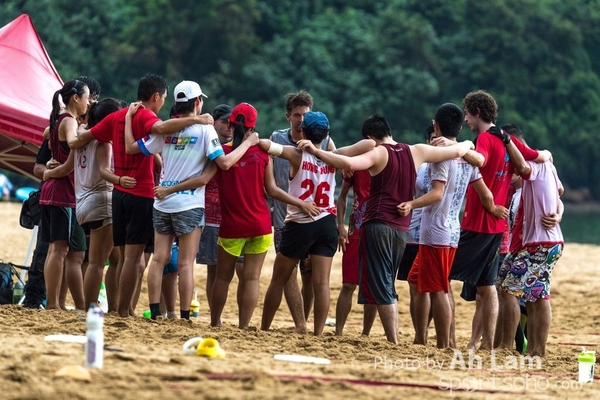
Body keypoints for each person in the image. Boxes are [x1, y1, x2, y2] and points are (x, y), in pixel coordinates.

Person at [296, 114, 474, 344]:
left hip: (378, 224)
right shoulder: (416, 150)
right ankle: (396, 339)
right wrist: (468, 143)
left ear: (370, 138)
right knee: (387, 282)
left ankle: (394, 341)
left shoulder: (379, 152)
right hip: (402, 228)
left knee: (382, 286)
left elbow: (349, 164)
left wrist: (316, 151)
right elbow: (458, 152)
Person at [71, 73, 214, 317]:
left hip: (117, 194)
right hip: (141, 192)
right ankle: (124, 311)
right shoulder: (147, 116)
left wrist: (58, 137)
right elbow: (160, 128)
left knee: (108, 260)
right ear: (156, 96)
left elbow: (81, 139)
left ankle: (95, 308)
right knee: (133, 259)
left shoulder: (116, 116)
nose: (163, 104)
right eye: (163, 98)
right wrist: (200, 120)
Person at [124, 81, 257, 320]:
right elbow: (224, 163)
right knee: (186, 263)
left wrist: (127, 120)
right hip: (189, 204)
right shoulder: (205, 130)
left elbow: (132, 148)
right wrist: (248, 143)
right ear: (197, 102)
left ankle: (156, 312)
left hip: (161, 201)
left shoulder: (165, 130)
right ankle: (185, 316)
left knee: (158, 259)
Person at [440, 90, 550, 350]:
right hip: (498, 229)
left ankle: (449, 342)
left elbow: (479, 161)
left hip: (477, 224)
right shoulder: (508, 140)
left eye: (467, 113)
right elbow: (536, 157)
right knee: (487, 286)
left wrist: (455, 148)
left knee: (440, 276)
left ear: (477, 112)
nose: (466, 119)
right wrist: (548, 154)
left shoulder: (485, 140)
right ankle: (487, 344)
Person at [399, 103, 507, 348]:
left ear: (436, 126)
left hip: (435, 230)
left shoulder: (442, 156)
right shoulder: (467, 159)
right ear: (459, 127)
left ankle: (444, 343)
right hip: (452, 230)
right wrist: (493, 209)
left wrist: (410, 204)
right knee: (420, 280)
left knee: (438, 290)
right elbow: (485, 193)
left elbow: (436, 194)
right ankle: (422, 337)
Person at [211, 103, 319, 329]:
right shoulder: (262, 153)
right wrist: (301, 203)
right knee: (251, 278)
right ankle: (243, 325)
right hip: (260, 224)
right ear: (254, 126)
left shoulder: (222, 153)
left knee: (223, 277)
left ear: (231, 123)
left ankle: (215, 322)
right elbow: (272, 190)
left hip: (231, 225)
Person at [261, 111, 338, 335]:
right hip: (327, 222)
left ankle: (264, 328)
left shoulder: (296, 154)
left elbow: (268, 146)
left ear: (301, 132)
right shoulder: (335, 156)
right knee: (322, 283)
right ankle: (318, 332)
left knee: (279, 278)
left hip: (300, 223)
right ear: (326, 135)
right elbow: (366, 145)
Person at [495, 127, 564, 357]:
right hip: (533, 243)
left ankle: (529, 349)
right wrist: (557, 211)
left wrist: (506, 141)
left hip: (542, 243)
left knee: (517, 292)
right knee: (528, 294)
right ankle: (532, 350)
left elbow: (524, 167)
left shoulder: (536, 165)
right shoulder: (541, 169)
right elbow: (559, 190)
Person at [40, 79, 90, 310]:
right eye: (86, 98)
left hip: (54, 191)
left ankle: (54, 302)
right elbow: (72, 143)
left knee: (56, 248)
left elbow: (48, 137)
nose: (88, 103)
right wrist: (85, 131)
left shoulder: (58, 119)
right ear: (75, 98)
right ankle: (52, 303)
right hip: (62, 191)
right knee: (59, 250)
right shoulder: (69, 121)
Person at [72, 98, 124, 311]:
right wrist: (122, 179)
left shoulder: (81, 139)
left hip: (82, 205)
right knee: (97, 263)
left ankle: (113, 307)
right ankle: (90, 308)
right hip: (101, 202)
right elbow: (105, 171)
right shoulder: (104, 143)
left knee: (116, 259)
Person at [193, 104, 244, 312]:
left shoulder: (236, 146)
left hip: (232, 214)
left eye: (232, 123)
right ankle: (216, 318)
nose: (229, 127)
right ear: (214, 122)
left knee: (242, 272)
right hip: (212, 213)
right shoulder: (209, 145)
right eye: (224, 122)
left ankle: (233, 317)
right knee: (214, 271)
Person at [334, 168, 375, 336]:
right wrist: (340, 225)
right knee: (348, 284)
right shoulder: (355, 166)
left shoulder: (390, 163)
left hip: (379, 230)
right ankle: (338, 332)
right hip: (355, 231)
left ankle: (365, 334)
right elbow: (342, 196)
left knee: (372, 287)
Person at [22, 139, 59, 308]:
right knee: (43, 251)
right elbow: (37, 168)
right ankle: (33, 297)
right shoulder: (52, 135)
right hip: (50, 200)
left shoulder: (84, 135)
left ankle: (56, 300)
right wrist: (52, 172)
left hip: (76, 201)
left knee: (75, 255)